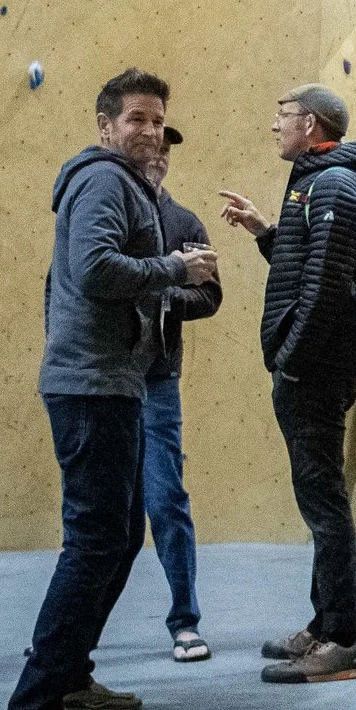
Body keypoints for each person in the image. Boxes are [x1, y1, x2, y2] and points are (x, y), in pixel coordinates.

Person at [0, 69, 219, 710]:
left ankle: (70, 674)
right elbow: (94, 270)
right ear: (105, 127)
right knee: (95, 540)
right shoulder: (101, 181)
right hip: (91, 386)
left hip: (109, 381)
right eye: (137, 120)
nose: (150, 132)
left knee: (121, 535)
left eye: (158, 121)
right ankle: (34, 704)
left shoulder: (123, 188)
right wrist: (175, 271)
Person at [218, 84, 356, 685]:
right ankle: (323, 622)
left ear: (309, 123)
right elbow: (302, 267)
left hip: (316, 366)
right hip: (313, 362)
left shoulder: (335, 184)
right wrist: (268, 232)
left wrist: (290, 357)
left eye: (281, 115)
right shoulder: (317, 181)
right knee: (320, 499)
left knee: (325, 500)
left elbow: (329, 286)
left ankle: (344, 638)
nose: (274, 126)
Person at [141, 129, 223, 661]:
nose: (159, 155)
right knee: (102, 512)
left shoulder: (185, 223)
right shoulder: (104, 207)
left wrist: (162, 292)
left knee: (166, 500)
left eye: (166, 150)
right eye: (151, 145)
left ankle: (185, 621)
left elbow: (210, 295)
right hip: (103, 381)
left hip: (157, 382)